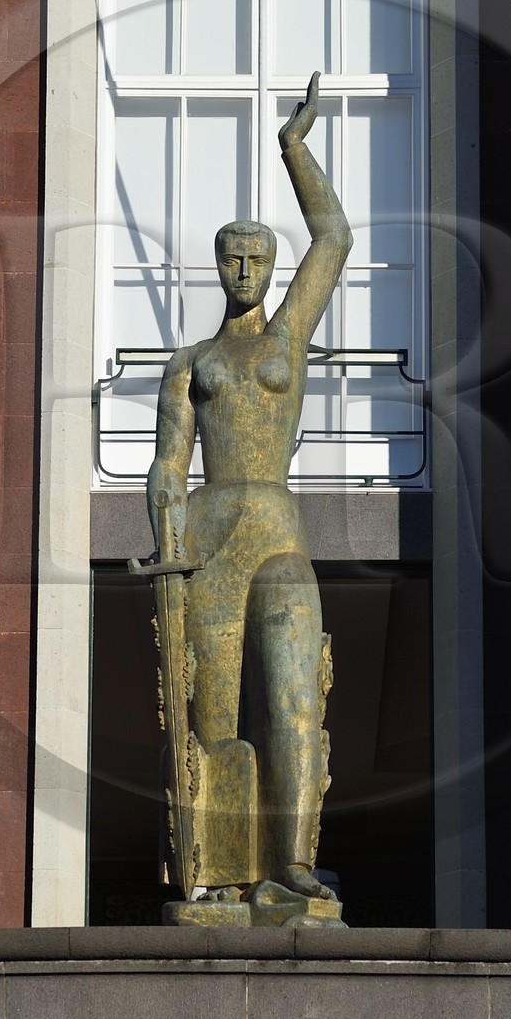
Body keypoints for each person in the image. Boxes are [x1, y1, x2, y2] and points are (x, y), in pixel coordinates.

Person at [146, 72, 351, 903]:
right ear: (216, 265)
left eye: (257, 257)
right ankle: (228, 876)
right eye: (231, 256)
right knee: (216, 724)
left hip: (276, 528)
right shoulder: (189, 364)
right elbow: (168, 458)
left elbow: (333, 238)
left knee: (296, 693)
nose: (243, 268)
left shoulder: (289, 337)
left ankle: (294, 862)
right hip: (208, 535)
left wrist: (294, 147)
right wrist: (163, 513)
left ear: (271, 267)